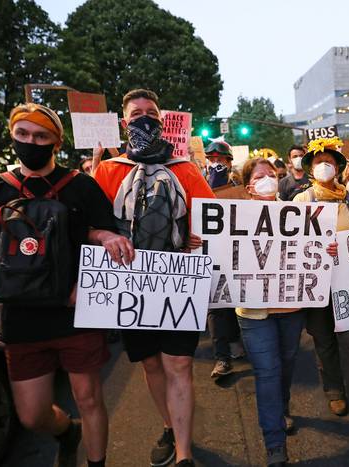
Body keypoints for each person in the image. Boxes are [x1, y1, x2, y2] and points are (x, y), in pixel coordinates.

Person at [0, 103, 134, 467]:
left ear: (56, 141)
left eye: (41, 136)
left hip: (73, 311)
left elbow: (102, 231)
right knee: (32, 415)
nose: (31, 142)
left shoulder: (81, 186)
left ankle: (97, 462)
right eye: (23, 134)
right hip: (20, 316)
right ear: (12, 135)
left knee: (89, 398)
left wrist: (105, 235)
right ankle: (67, 431)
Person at [93, 89, 214, 467]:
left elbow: (214, 222)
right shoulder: (108, 171)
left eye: (151, 113)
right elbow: (93, 228)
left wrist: (200, 238)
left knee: (178, 364)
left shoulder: (186, 170)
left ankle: (183, 454)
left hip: (177, 281)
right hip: (130, 283)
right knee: (150, 364)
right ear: (124, 122)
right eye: (136, 113)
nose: (144, 118)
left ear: (161, 121)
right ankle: (167, 423)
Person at [293, 137, 349, 434]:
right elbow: (291, 245)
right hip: (316, 283)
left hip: (346, 283)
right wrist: (319, 249)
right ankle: (334, 391)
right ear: (310, 169)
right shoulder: (301, 201)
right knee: (324, 341)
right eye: (318, 162)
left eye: (329, 162)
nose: (324, 166)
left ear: (340, 167)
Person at [236, 158, 307, 467]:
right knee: (267, 372)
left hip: (290, 307)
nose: (267, 179)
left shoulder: (300, 216)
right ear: (249, 185)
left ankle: (283, 405)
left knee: (287, 363)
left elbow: (311, 251)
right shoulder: (234, 217)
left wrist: (326, 248)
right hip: (254, 312)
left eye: (272, 175)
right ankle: (275, 445)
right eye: (259, 176)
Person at [203, 138, 245, 377]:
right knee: (215, 306)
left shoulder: (240, 185)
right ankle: (221, 358)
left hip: (238, 253)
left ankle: (236, 340)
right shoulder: (197, 183)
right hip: (212, 254)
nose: (216, 163)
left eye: (220, 159)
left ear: (230, 162)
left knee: (234, 302)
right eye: (212, 159)